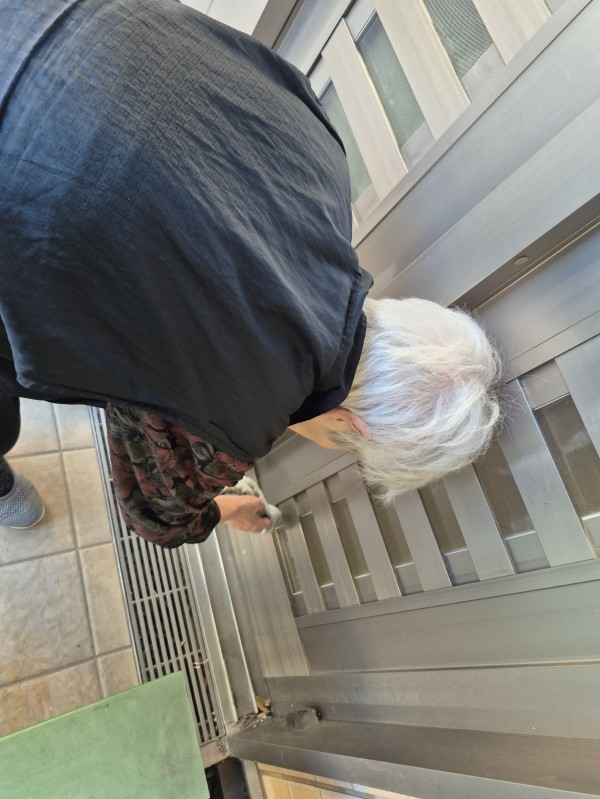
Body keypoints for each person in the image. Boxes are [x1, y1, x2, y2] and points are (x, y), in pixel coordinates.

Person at [0, 0, 500, 545]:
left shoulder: (324, 165)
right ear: (347, 425)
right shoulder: (227, 424)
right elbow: (156, 517)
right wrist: (226, 509)